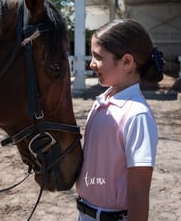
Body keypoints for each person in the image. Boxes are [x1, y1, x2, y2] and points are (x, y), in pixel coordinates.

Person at [76, 19, 164, 221]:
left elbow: (139, 195)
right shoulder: (102, 101)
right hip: (84, 214)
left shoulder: (137, 115)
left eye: (98, 57)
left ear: (126, 62)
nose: (92, 63)